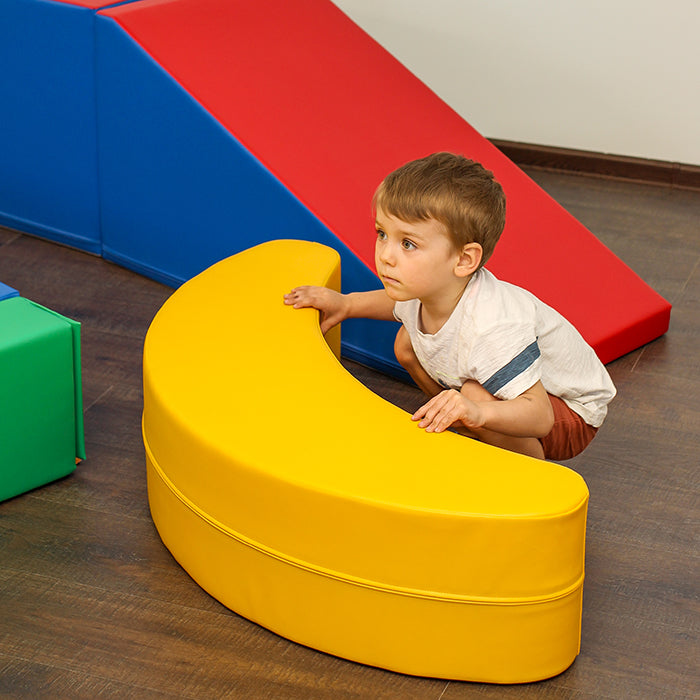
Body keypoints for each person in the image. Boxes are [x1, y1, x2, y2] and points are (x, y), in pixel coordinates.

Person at [284, 152, 615, 460]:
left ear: (464, 259)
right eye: (382, 233)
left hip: (569, 414)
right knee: (406, 344)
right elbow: (399, 305)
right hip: (522, 399)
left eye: (408, 243)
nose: (385, 255)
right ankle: (462, 423)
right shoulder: (431, 289)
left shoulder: (492, 328)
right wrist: (346, 304)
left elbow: (540, 417)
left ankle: (523, 469)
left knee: (475, 394)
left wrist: (478, 412)